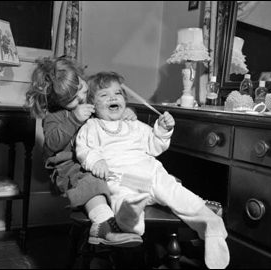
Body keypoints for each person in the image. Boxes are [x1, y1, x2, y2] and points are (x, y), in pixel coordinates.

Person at [75, 71, 230, 269]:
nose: (113, 97)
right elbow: (84, 150)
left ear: (125, 100)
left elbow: (154, 145)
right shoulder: (92, 126)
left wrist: (163, 129)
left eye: (118, 93)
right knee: (121, 197)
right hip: (122, 178)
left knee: (180, 195)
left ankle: (211, 226)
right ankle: (131, 219)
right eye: (104, 95)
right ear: (93, 105)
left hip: (153, 175)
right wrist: (96, 162)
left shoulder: (134, 125)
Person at [25, 56, 142, 247]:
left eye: (82, 89)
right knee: (91, 179)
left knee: (129, 174)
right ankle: (104, 225)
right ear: (57, 99)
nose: (81, 98)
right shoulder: (54, 116)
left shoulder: (89, 103)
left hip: (98, 160)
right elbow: (52, 143)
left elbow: (109, 111)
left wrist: (126, 113)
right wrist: (73, 119)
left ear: (81, 77)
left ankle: (144, 203)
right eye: (72, 99)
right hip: (69, 166)